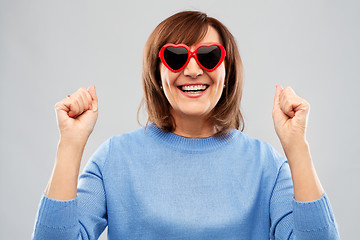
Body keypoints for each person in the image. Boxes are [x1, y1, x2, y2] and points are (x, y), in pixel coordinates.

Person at [32, 11, 340, 239]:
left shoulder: (267, 166)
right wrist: (70, 146)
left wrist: (297, 147)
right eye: (176, 57)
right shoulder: (114, 158)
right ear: (157, 72)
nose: (193, 69)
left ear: (227, 70)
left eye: (208, 56)